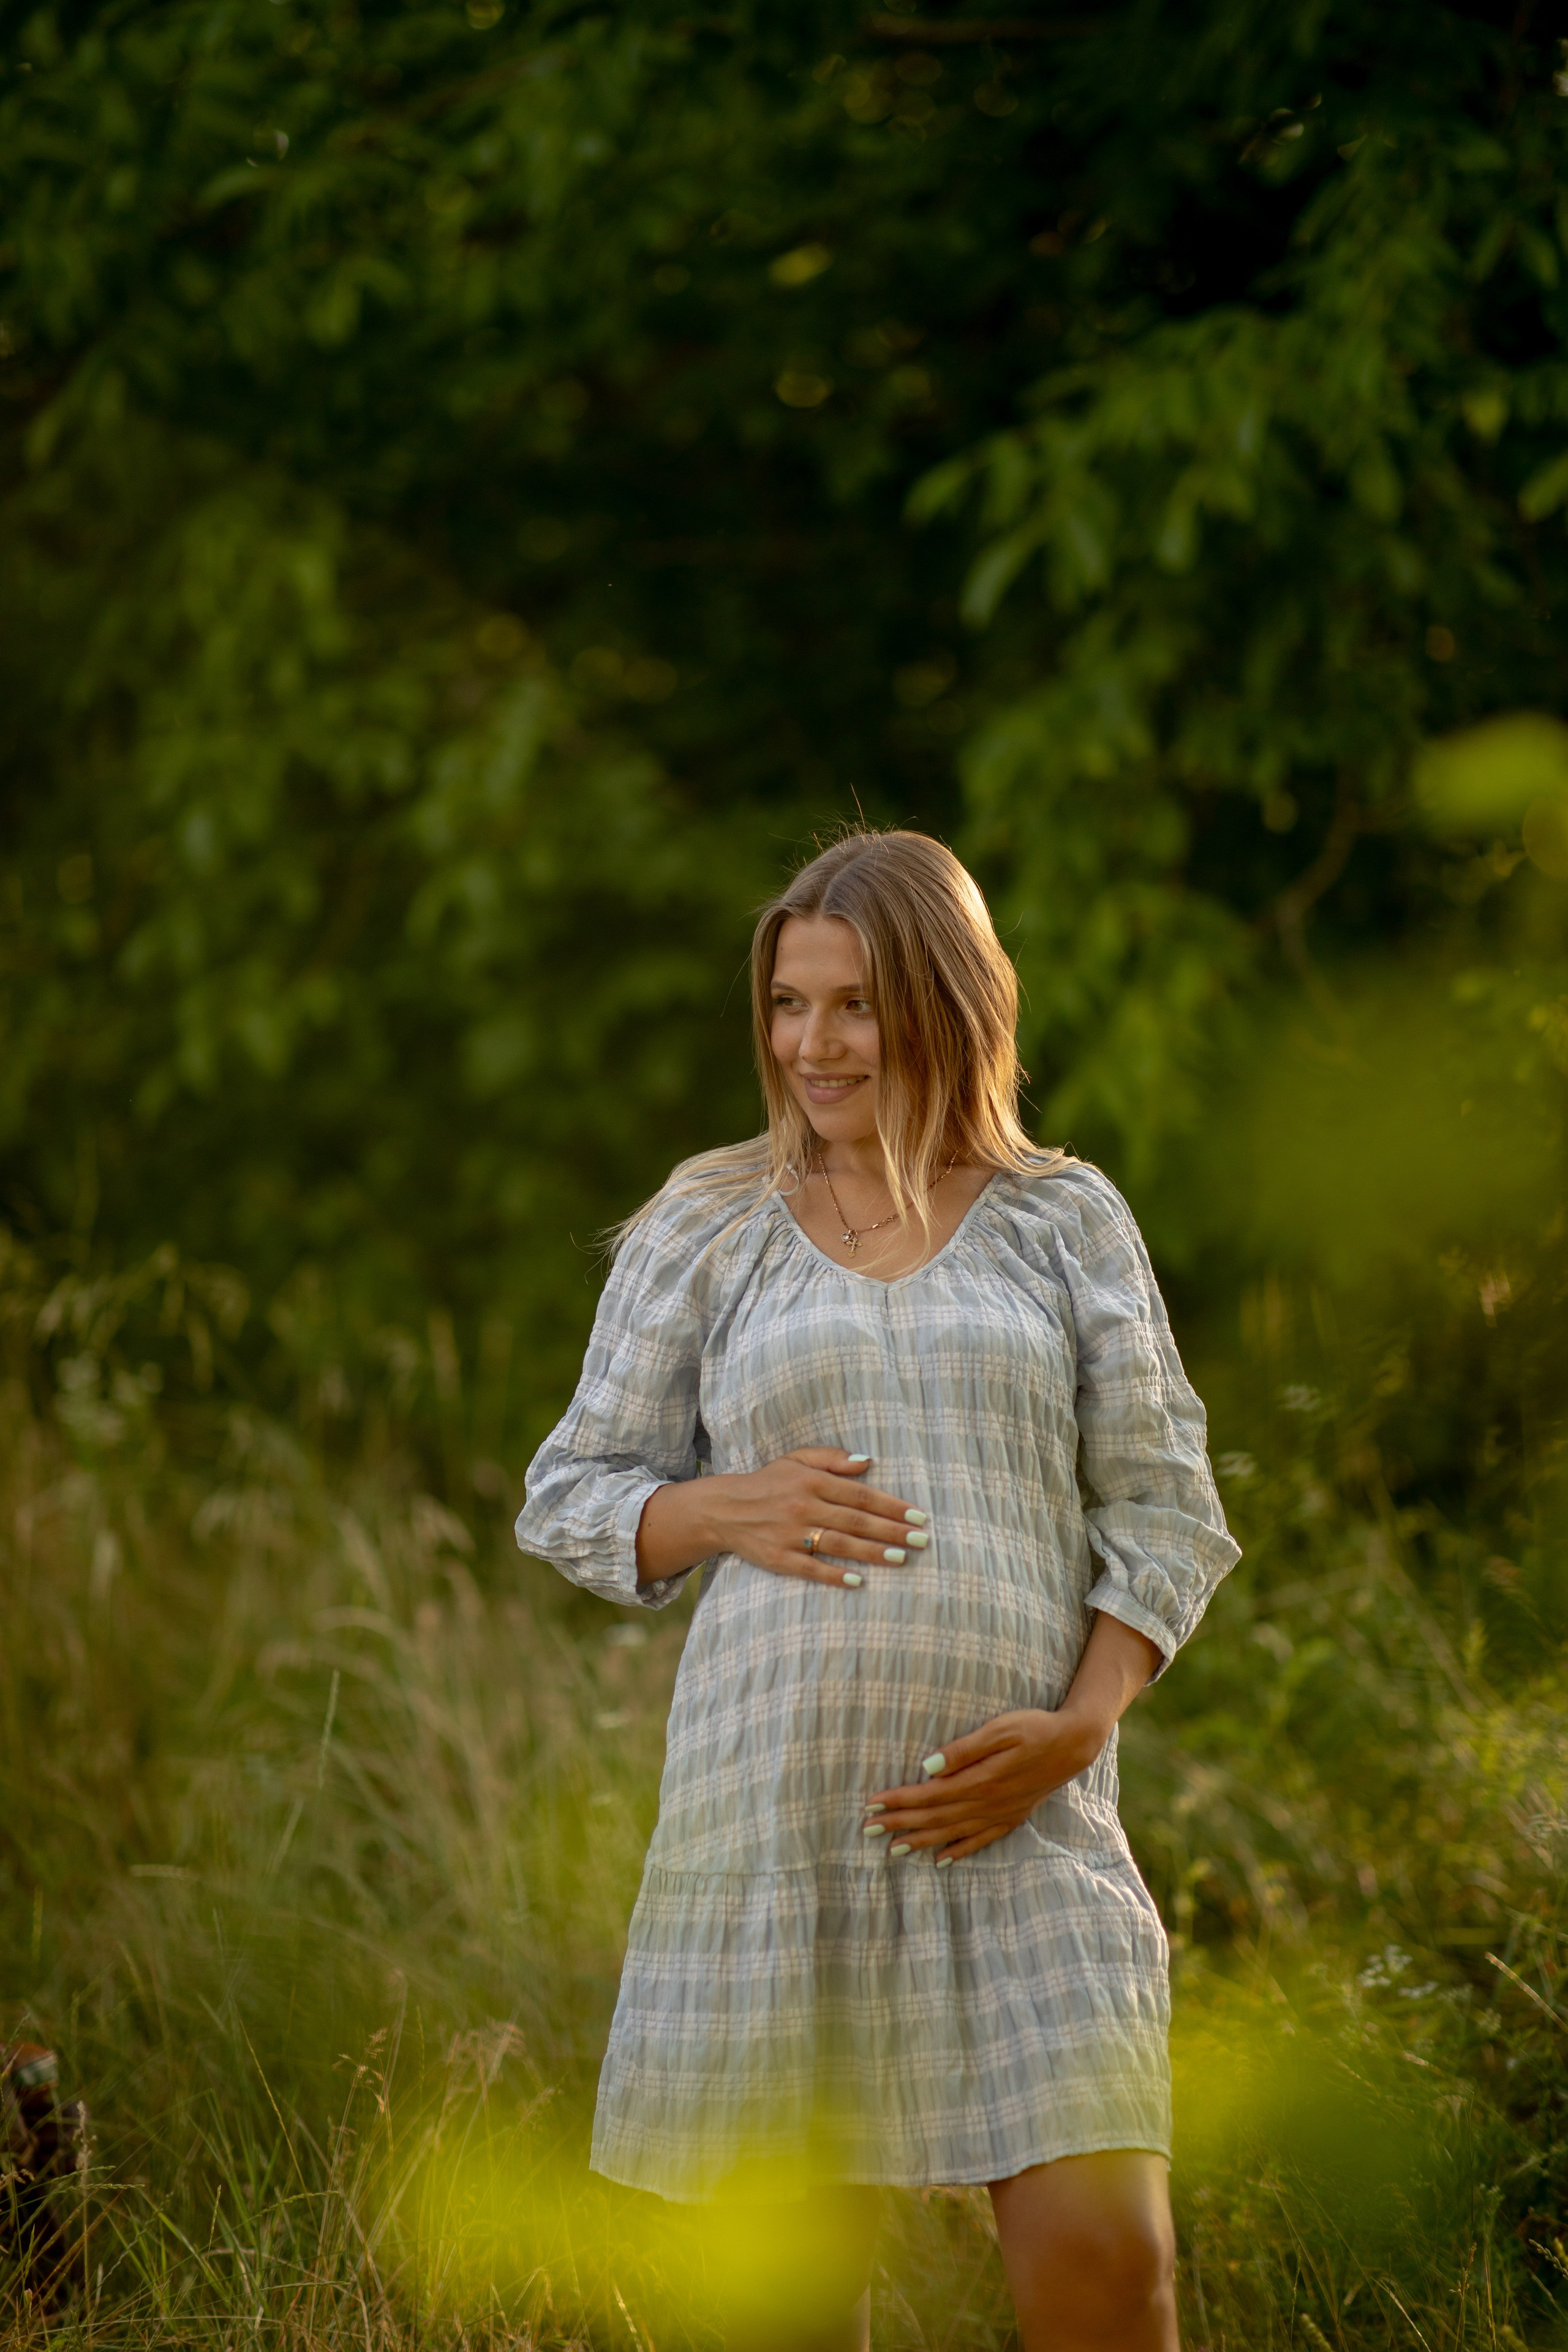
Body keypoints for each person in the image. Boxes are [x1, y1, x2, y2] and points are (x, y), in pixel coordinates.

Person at [516, 829, 1240, 2352]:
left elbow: (1164, 1511)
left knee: (1113, 2268)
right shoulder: (709, 1222)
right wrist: (717, 1504)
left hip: (1024, 1824)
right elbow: (569, 1495)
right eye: (789, 1004)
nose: (813, 1043)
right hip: (774, 1839)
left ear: (945, 1003)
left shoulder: (1062, 1218)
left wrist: (1080, 1726)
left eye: (853, 1003)